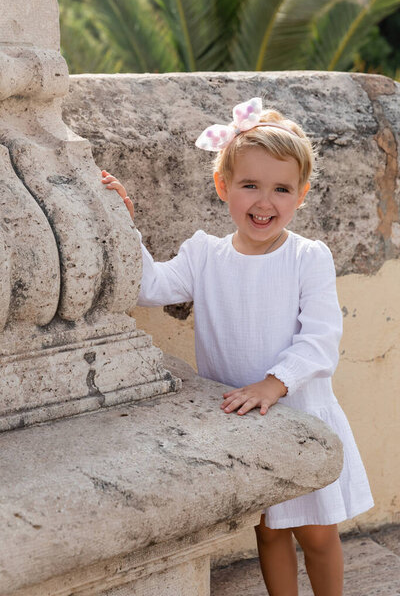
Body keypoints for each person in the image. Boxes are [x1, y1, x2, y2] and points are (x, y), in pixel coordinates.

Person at [101, 97, 374, 596]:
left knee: (316, 535)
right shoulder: (204, 254)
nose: (264, 202)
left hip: (300, 417)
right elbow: (149, 287)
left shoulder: (307, 258)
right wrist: (125, 221)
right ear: (223, 186)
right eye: (250, 185)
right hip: (246, 423)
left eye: (281, 189)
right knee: (268, 534)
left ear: (302, 195)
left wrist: (273, 384)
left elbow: (320, 340)